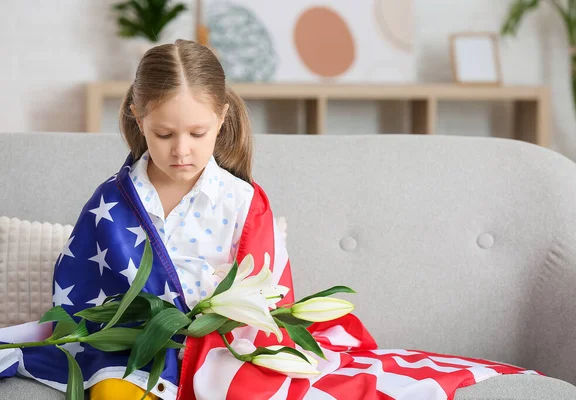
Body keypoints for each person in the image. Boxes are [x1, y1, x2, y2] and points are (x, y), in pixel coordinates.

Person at [0, 40, 539, 400]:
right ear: (138, 118)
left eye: (197, 133)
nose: (181, 150)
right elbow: (82, 292)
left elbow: (267, 297)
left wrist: (212, 324)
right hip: (129, 345)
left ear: (222, 119)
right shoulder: (112, 199)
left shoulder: (242, 201)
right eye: (163, 135)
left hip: (221, 342)